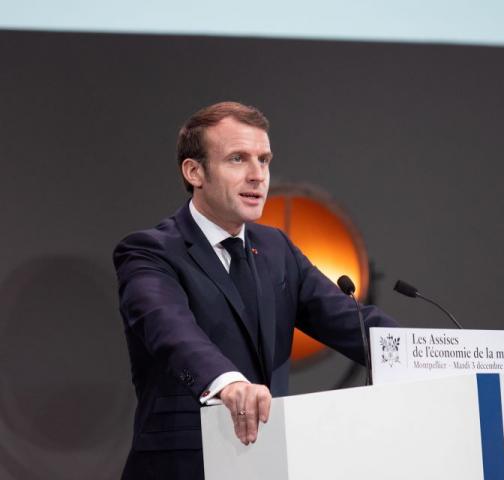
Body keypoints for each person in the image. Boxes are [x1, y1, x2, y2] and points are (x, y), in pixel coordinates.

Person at [113, 101, 398, 479]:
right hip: (183, 466)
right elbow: (172, 333)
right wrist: (226, 382)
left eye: (264, 160)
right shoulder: (149, 251)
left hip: (267, 462)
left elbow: (354, 324)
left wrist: (436, 354)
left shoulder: (277, 249)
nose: (257, 175)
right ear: (194, 171)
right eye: (237, 159)